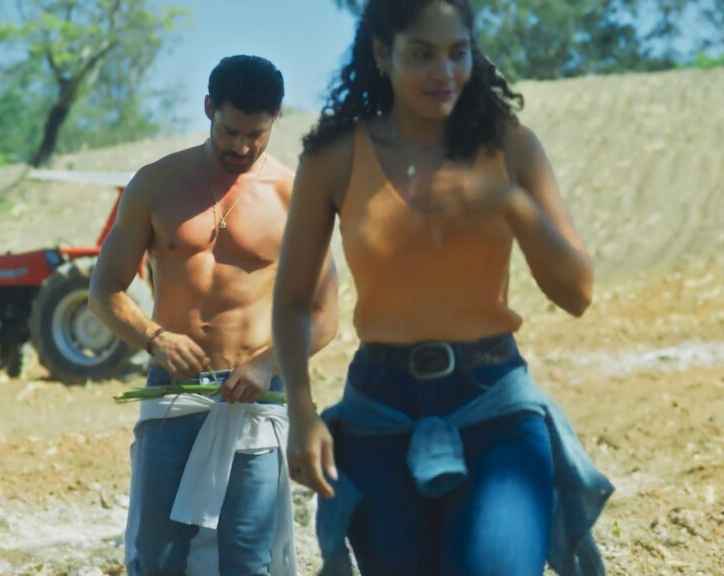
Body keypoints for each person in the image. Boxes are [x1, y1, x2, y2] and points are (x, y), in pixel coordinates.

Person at [271, 1, 613, 575]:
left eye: (458, 53)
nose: (445, 72)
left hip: (495, 406)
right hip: (379, 415)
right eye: (422, 54)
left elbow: (577, 293)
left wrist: (508, 202)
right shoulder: (333, 159)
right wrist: (301, 415)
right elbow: (290, 303)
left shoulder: (511, 147)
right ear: (382, 53)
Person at [89, 55, 338, 576]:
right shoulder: (155, 184)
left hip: (255, 396)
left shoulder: (294, 196)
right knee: (158, 555)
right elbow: (104, 290)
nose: (241, 147)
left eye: (255, 135)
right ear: (208, 108)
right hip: (173, 392)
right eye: (229, 131)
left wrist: (267, 365)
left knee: (248, 557)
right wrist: (155, 338)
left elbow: (323, 316)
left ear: (276, 119)